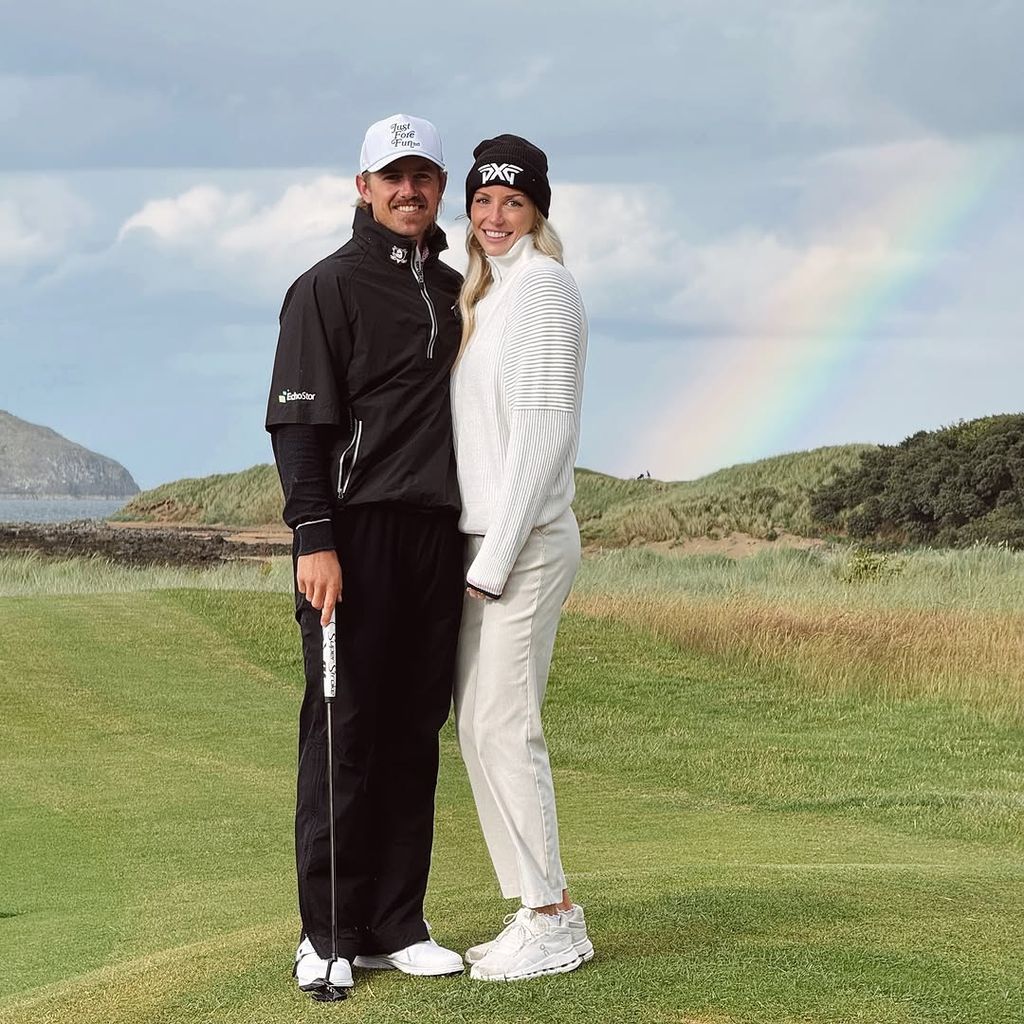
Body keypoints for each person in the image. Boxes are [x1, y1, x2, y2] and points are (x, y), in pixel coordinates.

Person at [265, 113, 466, 994]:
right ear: (363, 187)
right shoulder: (326, 287)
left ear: (439, 188)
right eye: (393, 176)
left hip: (437, 537)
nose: (408, 190)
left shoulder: (458, 290)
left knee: (413, 730)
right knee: (343, 730)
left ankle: (395, 922)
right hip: (353, 533)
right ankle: (328, 933)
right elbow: (300, 425)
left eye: (422, 176)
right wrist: (314, 538)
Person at [450, 134, 592, 982]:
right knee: (479, 727)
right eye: (483, 202)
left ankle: (555, 919)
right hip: (489, 542)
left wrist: (492, 560)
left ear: (537, 209)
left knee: (506, 727)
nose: (495, 216)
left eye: (513, 202)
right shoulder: (493, 293)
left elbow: (544, 438)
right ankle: (531, 905)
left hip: (524, 546)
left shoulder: (544, 291)